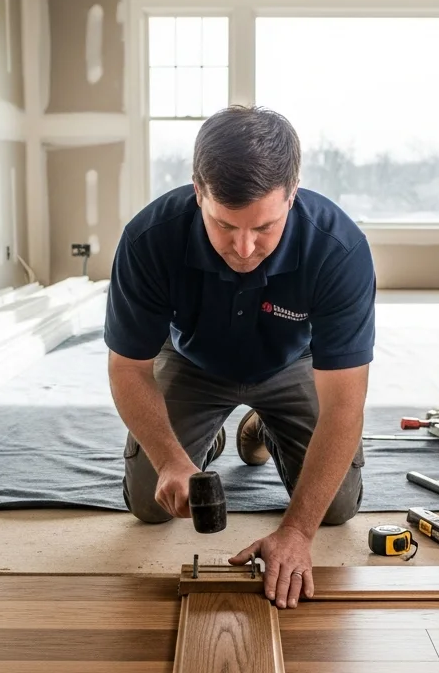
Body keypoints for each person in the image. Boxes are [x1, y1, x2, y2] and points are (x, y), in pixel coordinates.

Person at [103, 105, 376, 610]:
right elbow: (127, 368)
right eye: (225, 225)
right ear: (197, 190)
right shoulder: (148, 239)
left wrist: (296, 532)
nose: (245, 247)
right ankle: (208, 438)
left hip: (293, 362)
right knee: (150, 504)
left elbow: (344, 406)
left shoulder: (339, 249)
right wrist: (170, 461)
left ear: (293, 193)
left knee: (334, 510)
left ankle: (259, 428)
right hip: (192, 360)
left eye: (264, 227)